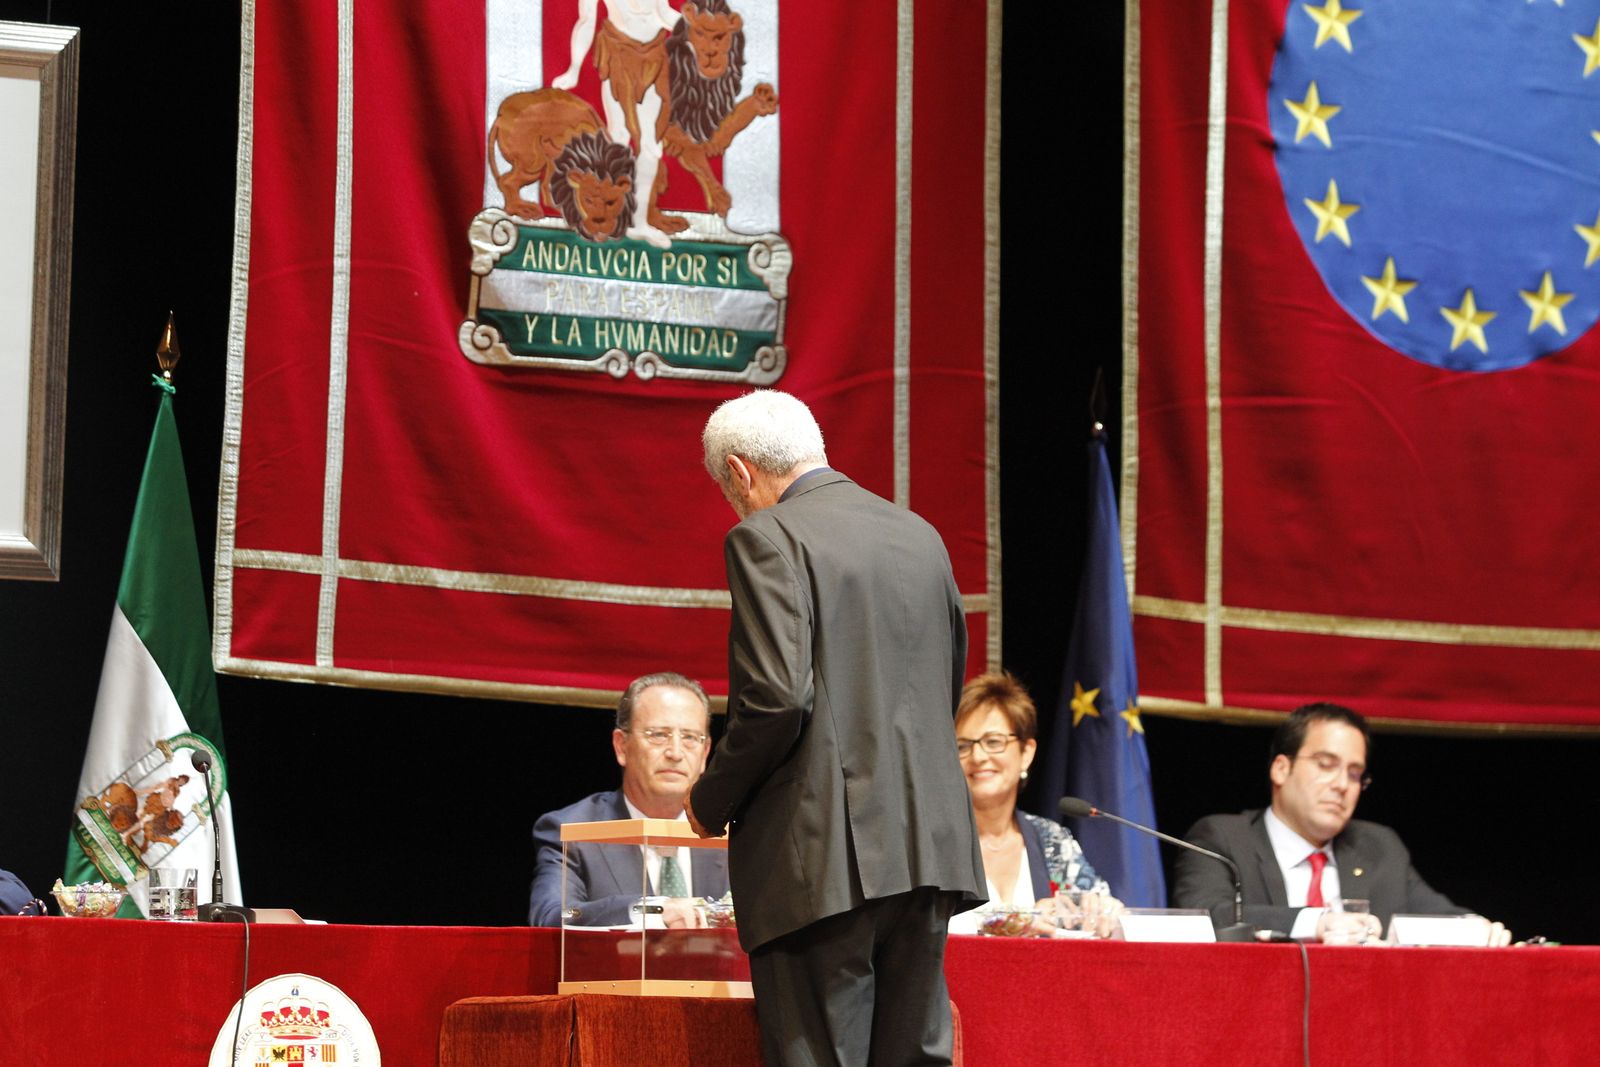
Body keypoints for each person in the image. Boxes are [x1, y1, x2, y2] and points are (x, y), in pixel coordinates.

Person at [686, 390, 984, 1067]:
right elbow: (944, 685)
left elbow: (777, 699)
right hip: (927, 849)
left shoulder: (766, 536)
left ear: (739, 471)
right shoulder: (921, 535)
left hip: (821, 859)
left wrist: (710, 799)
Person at [1171, 703, 1511, 945]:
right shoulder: (1224, 838)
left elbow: (1437, 913)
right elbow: (1205, 918)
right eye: (1325, 765)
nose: (1341, 785)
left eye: (1354, 773)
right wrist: (1318, 922)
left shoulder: (1379, 846)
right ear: (1281, 769)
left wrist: (1476, 929)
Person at [529, 672, 729, 927]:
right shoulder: (573, 832)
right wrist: (652, 909)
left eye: (690, 737)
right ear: (621, 746)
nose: (676, 753)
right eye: (659, 735)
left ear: (705, 753)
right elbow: (555, 916)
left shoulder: (733, 836)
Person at [948, 672, 1121, 937]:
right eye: (963, 746)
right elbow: (913, 928)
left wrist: (1103, 912)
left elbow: (1100, 915)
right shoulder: (933, 843)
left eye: (993, 742)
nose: (978, 756)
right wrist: (1014, 923)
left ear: (1026, 753)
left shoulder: (1051, 839)